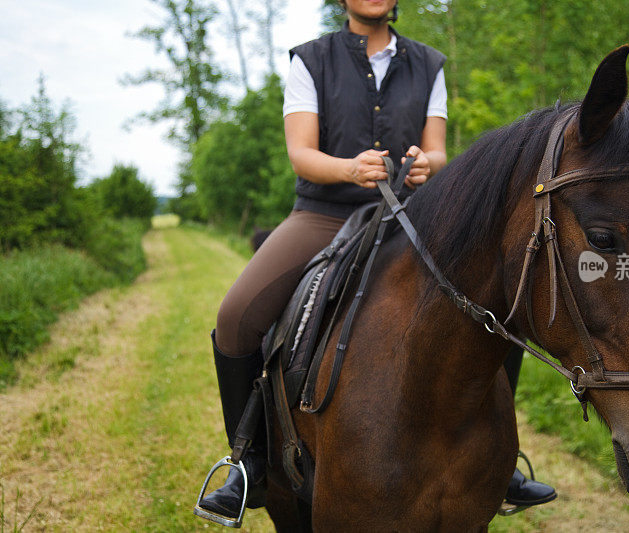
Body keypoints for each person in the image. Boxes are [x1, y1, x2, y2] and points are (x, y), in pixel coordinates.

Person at [196, 0, 554, 523]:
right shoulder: (310, 59)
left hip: (413, 216)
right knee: (235, 316)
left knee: (497, 296)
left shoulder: (429, 63)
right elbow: (301, 152)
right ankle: (247, 459)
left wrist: (424, 165)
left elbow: (437, 152)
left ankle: (501, 463)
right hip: (322, 212)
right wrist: (347, 168)